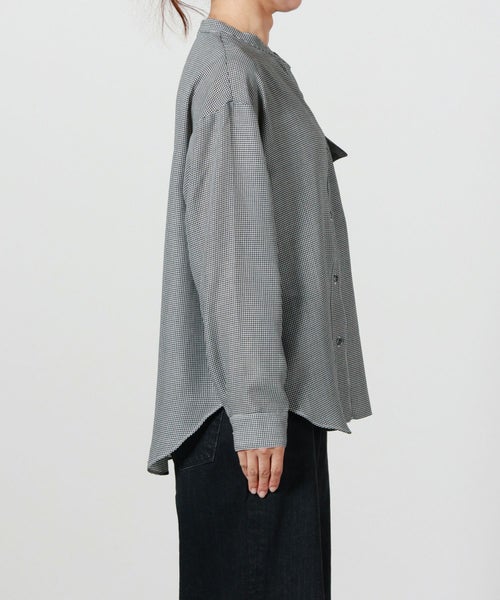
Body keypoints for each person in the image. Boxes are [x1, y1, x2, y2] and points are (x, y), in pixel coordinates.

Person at [147, 5, 373, 599]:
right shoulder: (229, 74)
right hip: (249, 419)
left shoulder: (249, 64)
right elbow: (234, 255)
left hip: (269, 408)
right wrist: (255, 413)